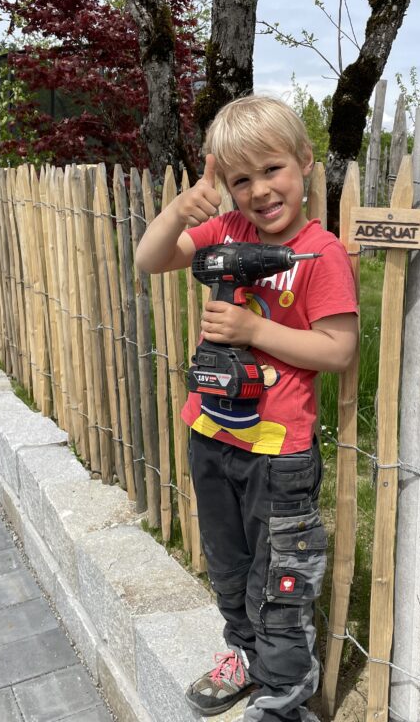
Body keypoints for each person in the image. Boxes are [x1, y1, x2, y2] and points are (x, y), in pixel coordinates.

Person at [135, 95, 359, 722]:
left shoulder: (321, 253)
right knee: (230, 567)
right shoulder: (226, 232)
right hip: (210, 434)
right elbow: (150, 259)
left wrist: (252, 331)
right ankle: (242, 652)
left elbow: (338, 350)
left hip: (277, 454)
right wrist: (182, 207)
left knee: (280, 581)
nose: (260, 191)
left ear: (305, 163)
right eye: (241, 179)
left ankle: (284, 698)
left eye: (272, 170)